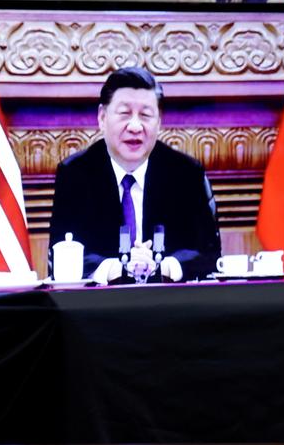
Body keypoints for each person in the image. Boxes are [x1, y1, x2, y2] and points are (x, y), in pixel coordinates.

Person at [48, 66, 221, 283]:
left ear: (159, 122)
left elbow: (209, 254)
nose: (136, 126)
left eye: (146, 115)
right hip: (98, 309)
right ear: (102, 117)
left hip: (171, 306)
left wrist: (163, 266)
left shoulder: (185, 173)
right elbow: (60, 254)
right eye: (125, 114)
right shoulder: (76, 174)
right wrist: (116, 268)